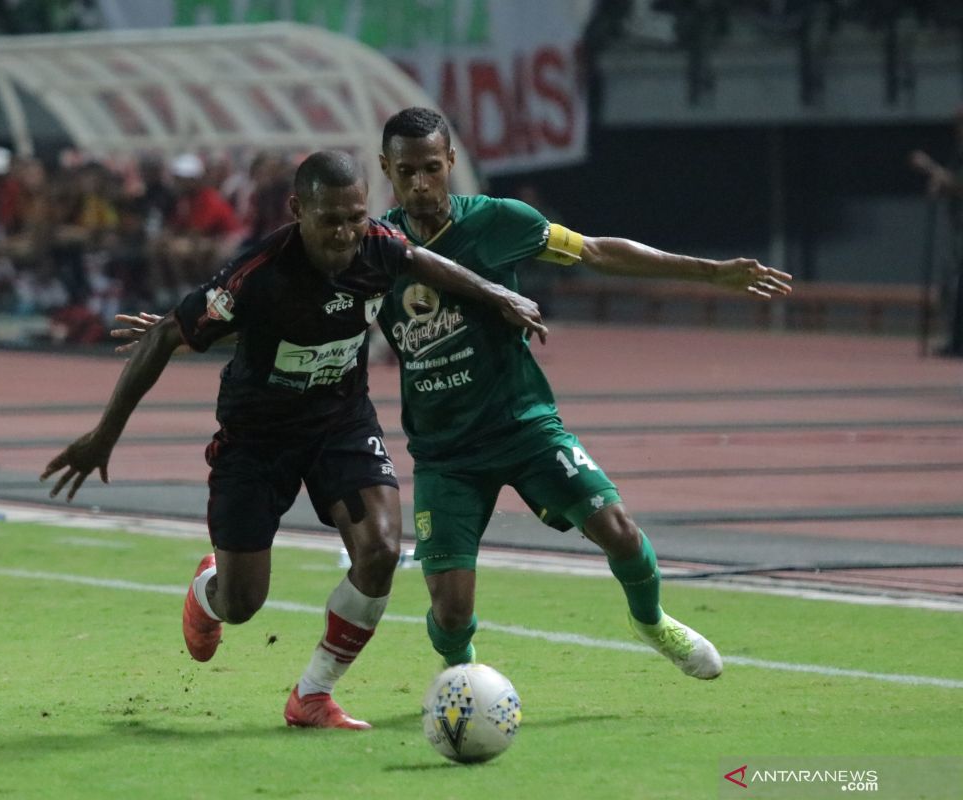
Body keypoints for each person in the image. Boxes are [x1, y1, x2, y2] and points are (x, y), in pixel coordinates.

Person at [41, 150, 547, 729]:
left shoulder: (377, 245)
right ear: (296, 210)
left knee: (381, 550)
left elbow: (426, 262)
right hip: (256, 441)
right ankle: (209, 590)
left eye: (354, 217)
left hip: (340, 425)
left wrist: (498, 294)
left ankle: (312, 694)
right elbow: (163, 341)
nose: (343, 233)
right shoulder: (256, 275)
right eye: (329, 218)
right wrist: (104, 437)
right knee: (243, 604)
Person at [371, 107, 791, 678]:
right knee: (450, 610)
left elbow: (596, 251)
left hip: (525, 427)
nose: (420, 183)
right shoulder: (374, 249)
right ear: (385, 170)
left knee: (619, 531)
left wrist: (708, 272)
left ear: (450, 161)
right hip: (446, 453)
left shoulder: (500, 222)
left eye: (430, 168)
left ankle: (651, 621)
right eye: (405, 171)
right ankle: (463, 674)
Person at [909, 111, 963, 357]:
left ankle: (957, 341)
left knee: (956, 282)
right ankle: (955, 339)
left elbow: (958, 183)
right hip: (957, 225)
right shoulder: (958, 151)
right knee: (951, 284)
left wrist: (930, 168)